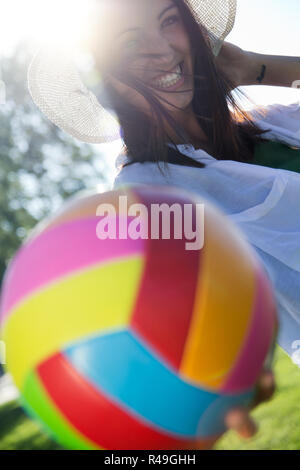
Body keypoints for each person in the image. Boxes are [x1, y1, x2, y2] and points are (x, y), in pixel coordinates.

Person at [27, 0, 300, 444]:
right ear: (102, 80)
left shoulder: (273, 124)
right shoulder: (146, 193)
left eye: (169, 21)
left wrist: (256, 68)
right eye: (129, 42)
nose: (164, 50)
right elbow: (157, 313)